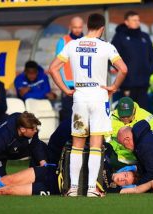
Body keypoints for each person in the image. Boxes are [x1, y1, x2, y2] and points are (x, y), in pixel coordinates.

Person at [48, 13, 128, 197]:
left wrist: (65, 89)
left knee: (77, 144)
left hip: (80, 96)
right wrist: (114, 86)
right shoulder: (106, 46)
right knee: (95, 144)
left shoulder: (73, 45)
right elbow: (123, 69)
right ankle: (92, 189)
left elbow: (53, 68)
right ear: (101, 28)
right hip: (99, 95)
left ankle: (73, 189)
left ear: (87, 26)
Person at [0, 163, 153, 197]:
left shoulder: (110, 190)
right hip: (50, 173)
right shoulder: (106, 161)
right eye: (125, 175)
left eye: (125, 180)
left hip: (54, 189)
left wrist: (150, 184)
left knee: (7, 190)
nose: (122, 179)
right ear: (123, 169)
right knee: (5, 180)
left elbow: (136, 191)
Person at [0, 112, 48, 181]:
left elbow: (36, 143)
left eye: (36, 128)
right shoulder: (4, 137)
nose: (36, 131)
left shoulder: (28, 124)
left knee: (42, 147)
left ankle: (35, 178)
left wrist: (42, 161)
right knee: (1, 184)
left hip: (15, 148)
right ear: (22, 129)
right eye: (33, 129)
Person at [111, 11, 153, 109]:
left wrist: (149, 70)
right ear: (126, 22)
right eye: (134, 20)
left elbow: (152, 56)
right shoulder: (120, 37)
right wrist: (120, 71)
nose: (137, 22)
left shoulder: (144, 36)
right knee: (128, 112)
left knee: (143, 112)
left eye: (138, 20)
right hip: (127, 83)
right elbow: (112, 56)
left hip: (144, 83)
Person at [109, 96, 153, 167]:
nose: (125, 119)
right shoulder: (111, 117)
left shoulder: (148, 119)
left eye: (128, 116)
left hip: (140, 160)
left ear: (134, 110)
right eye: (122, 116)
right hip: (117, 159)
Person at [55, 16, 84, 122]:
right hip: (69, 85)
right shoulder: (63, 41)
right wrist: (65, 87)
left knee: (82, 116)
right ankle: (68, 138)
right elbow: (58, 66)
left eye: (80, 27)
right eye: (75, 27)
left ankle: (82, 138)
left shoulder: (86, 41)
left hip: (83, 85)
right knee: (68, 116)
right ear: (70, 27)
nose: (78, 30)